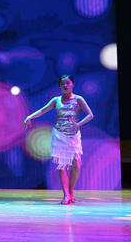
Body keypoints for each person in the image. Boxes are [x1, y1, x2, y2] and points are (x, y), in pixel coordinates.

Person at [24, 74, 93, 204]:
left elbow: (90, 115)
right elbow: (42, 110)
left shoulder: (78, 99)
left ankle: (71, 191)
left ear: (72, 85)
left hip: (73, 136)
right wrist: (29, 117)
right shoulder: (56, 100)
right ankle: (66, 195)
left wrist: (78, 124)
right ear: (60, 86)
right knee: (62, 166)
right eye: (62, 84)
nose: (65, 86)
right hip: (59, 135)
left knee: (77, 165)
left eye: (67, 83)